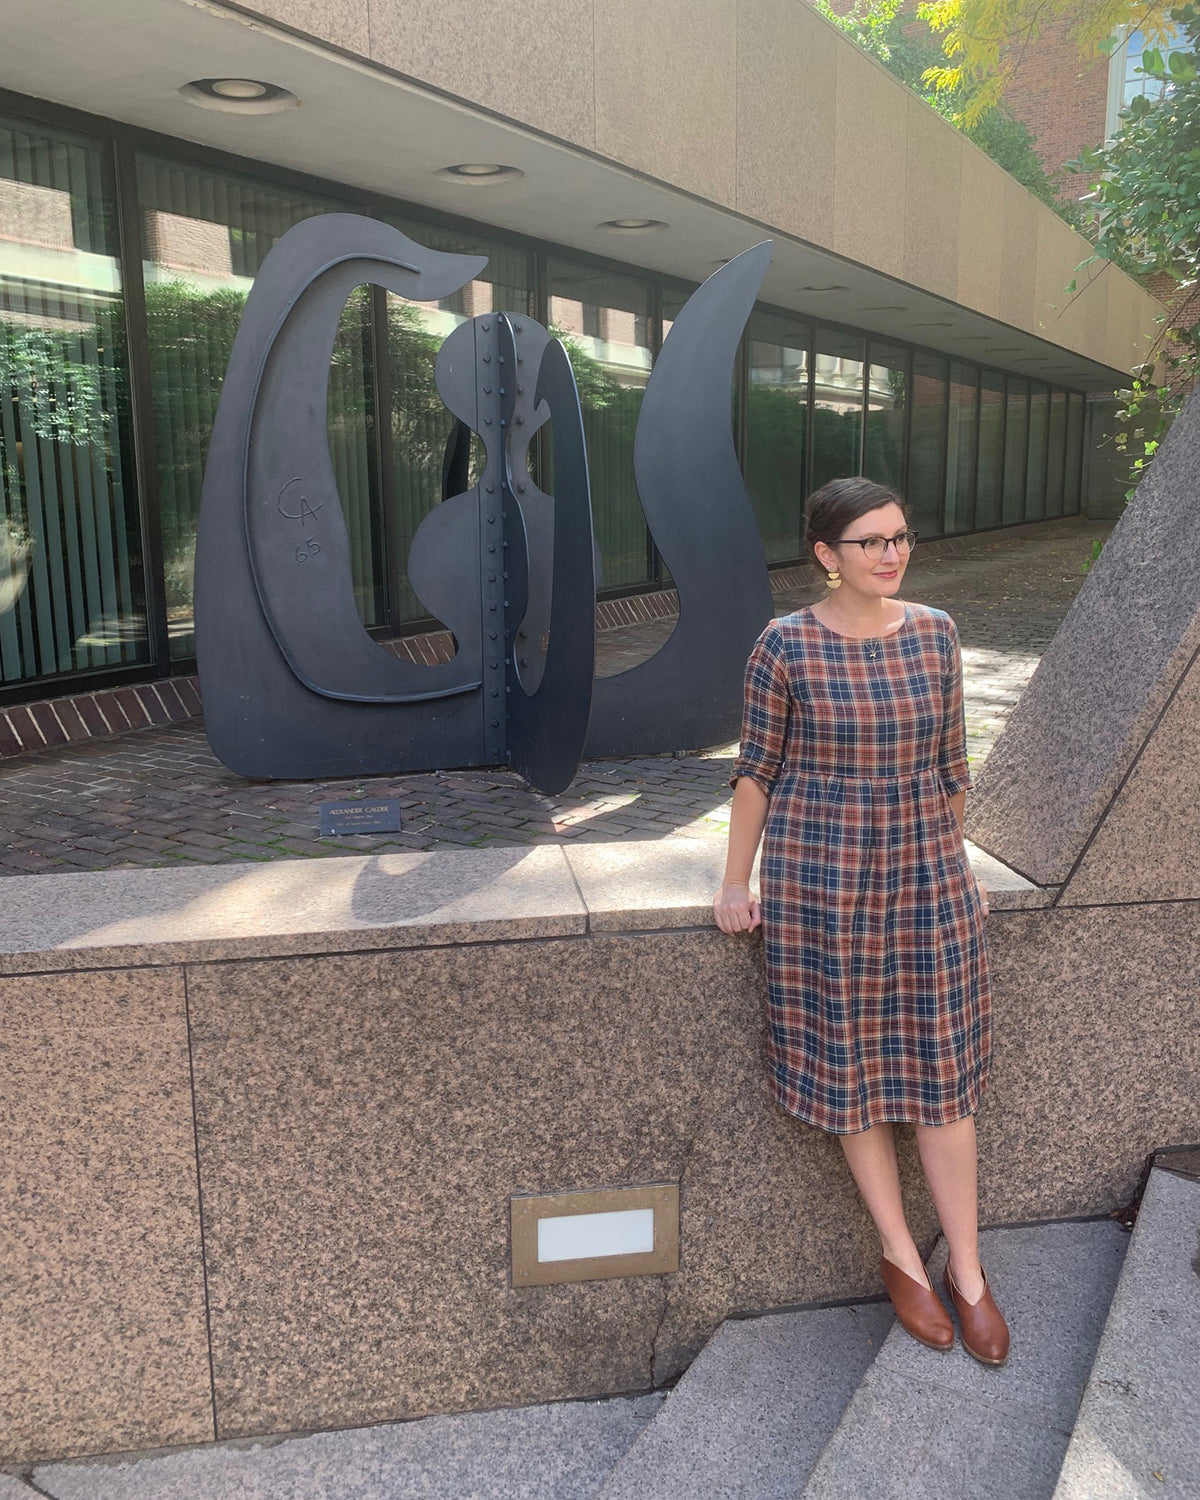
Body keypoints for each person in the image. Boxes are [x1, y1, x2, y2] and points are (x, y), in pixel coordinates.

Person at [713, 477, 1008, 1365]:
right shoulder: (785, 646)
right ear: (825, 555)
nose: (891, 554)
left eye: (900, 538)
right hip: (820, 880)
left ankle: (970, 1271)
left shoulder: (938, 635)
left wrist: (955, 867)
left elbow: (952, 769)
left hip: (925, 874)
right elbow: (756, 771)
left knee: (943, 1076)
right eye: (871, 541)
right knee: (851, 1070)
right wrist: (736, 884)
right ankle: (897, 1252)